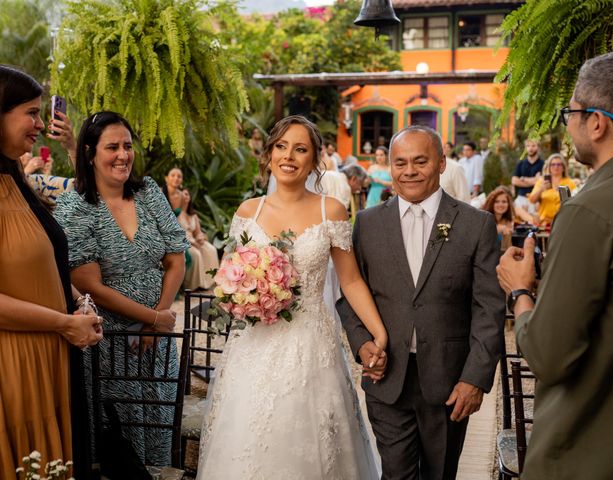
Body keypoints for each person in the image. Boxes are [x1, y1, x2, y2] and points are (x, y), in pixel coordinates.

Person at [197, 115, 387, 479]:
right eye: (281, 147)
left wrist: (379, 333)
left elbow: (351, 282)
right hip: (253, 348)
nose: (289, 156)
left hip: (313, 349)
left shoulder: (330, 210)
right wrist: (246, 294)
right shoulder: (247, 212)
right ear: (268, 155)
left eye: (300, 149)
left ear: (314, 160)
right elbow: (227, 280)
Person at [496, 49, 613, 480]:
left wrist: (520, 292)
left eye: (570, 111)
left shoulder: (589, 212)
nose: (569, 123)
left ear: (597, 123)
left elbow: (550, 354)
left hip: (593, 449)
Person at [337, 125, 504, 480]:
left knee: (439, 474)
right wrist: (362, 344)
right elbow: (349, 294)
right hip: (387, 379)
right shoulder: (367, 224)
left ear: (442, 163)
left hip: (449, 383)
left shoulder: (476, 225)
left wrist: (475, 379)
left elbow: (488, 309)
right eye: (400, 163)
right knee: (396, 473)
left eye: (420, 161)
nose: (409, 171)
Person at [54, 111, 189, 466]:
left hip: (156, 340)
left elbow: (177, 257)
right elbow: (88, 285)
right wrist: (154, 318)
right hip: (109, 340)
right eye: (112, 146)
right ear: (89, 153)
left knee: (158, 420)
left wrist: (156, 322)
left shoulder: (149, 193)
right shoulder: (75, 206)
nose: (123, 155)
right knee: (119, 438)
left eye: (127, 146)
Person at [0, 65, 102, 479]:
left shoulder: (14, 180)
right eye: (31, 112)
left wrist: (78, 302)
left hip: (48, 362)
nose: (41, 124)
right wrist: (63, 322)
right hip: (14, 368)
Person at [177, 188, 219, 290]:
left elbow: (198, 232)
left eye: (187, 194)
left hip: (194, 240)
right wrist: (191, 242)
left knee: (211, 249)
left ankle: (210, 281)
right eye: (183, 194)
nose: (185, 196)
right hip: (183, 241)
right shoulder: (176, 213)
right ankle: (193, 285)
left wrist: (200, 238)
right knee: (196, 254)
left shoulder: (193, 215)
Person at [482, 186, 538, 251]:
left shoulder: (507, 221)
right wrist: (497, 228)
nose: (500, 204)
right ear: (491, 203)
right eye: (497, 201)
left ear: (509, 203)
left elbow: (507, 248)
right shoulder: (484, 218)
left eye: (504, 201)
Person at [528, 153, 576, 227]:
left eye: (559, 164)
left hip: (563, 222)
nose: (556, 167)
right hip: (544, 223)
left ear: (563, 167)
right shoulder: (542, 181)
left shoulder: (569, 183)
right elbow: (532, 200)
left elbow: (574, 202)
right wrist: (541, 189)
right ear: (548, 167)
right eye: (553, 164)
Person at [511, 138, 544, 213]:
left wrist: (523, 179)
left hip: (536, 199)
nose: (530, 148)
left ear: (538, 147)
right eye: (528, 146)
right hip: (521, 198)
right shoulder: (521, 163)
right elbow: (514, 181)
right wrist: (534, 180)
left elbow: (541, 181)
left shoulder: (543, 164)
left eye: (533, 146)